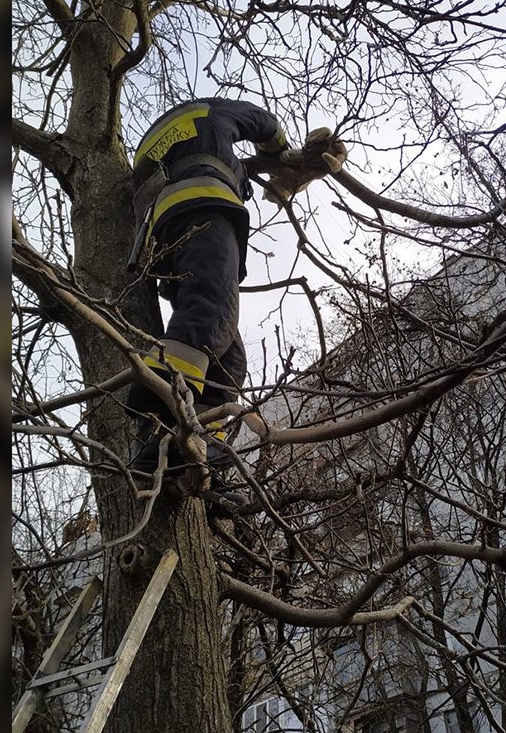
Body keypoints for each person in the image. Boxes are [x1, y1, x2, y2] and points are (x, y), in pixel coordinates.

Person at [124, 97, 347, 473]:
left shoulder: (173, 148)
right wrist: (283, 153)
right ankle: (157, 423)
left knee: (228, 360)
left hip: (167, 235)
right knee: (210, 313)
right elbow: (265, 124)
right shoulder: (207, 112)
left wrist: (277, 174)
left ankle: (200, 449)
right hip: (204, 208)